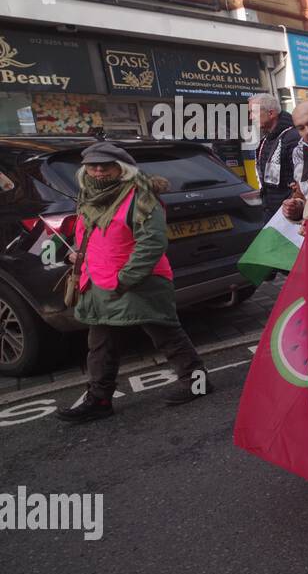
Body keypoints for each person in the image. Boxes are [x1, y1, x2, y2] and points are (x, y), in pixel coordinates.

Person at [56, 142, 209, 423]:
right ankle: (99, 400)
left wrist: (125, 280)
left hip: (139, 282)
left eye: (106, 165)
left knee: (168, 336)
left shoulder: (141, 197)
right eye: (92, 165)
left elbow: (152, 243)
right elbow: (90, 234)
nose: (99, 170)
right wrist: (78, 253)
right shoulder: (88, 196)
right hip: (99, 282)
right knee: (100, 345)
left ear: (121, 168)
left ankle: (198, 384)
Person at [250, 93, 298, 219]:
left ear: (271, 114)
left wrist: (292, 205)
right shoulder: (266, 139)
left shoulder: (292, 137)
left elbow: (300, 182)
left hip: (288, 213)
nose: (251, 117)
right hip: (271, 210)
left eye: (253, 112)